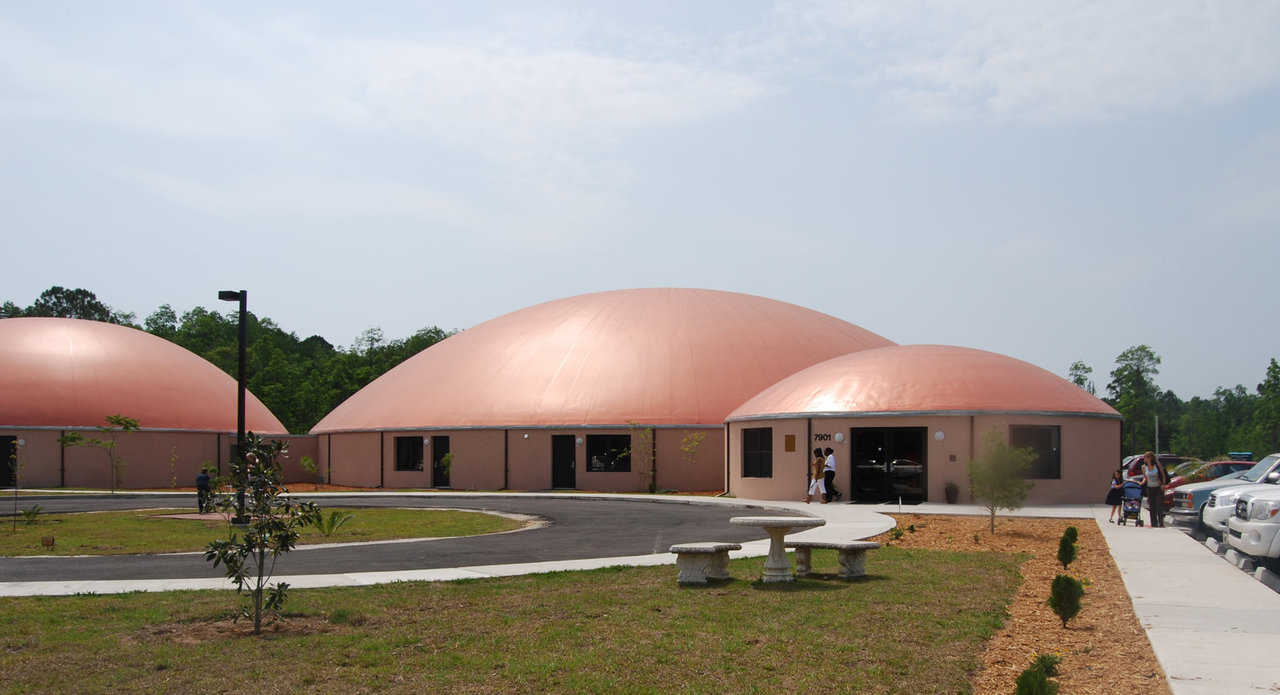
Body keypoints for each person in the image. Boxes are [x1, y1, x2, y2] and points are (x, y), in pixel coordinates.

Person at [1139, 451, 1167, 528]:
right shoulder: (1143, 467)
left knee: (1159, 506)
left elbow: (1163, 475)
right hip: (1149, 488)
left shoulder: (1157, 465)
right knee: (1152, 506)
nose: (1144, 458)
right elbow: (1145, 478)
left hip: (1158, 487)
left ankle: (1161, 523)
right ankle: (1154, 523)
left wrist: (1163, 485)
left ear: (1150, 458)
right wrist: (1141, 483)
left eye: (1146, 457)